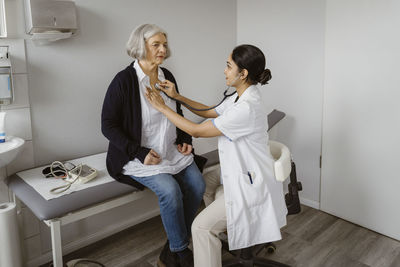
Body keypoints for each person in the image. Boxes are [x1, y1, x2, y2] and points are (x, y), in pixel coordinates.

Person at [145, 44, 288, 267]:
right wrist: (177, 96)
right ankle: (226, 231)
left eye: (228, 66)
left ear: (243, 74)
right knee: (204, 183)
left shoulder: (246, 108)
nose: (224, 70)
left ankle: (213, 233)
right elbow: (209, 111)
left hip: (251, 187)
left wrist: (163, 107)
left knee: (199, 227)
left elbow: (197, 131)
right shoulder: (240, 97)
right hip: (243, 171)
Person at [101, 24, 205, 267]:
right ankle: (180, 251)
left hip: (169, 150)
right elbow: (107, 125)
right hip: (140, 156)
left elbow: (176, 110)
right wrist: (139, 152)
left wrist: (185, 139)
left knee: (197, 184)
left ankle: (171, 249)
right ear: (140, 46)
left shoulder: (167, 76)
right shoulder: (123, 81)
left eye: (164, 44)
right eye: (156, 44)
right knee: (170, 191)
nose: (163, 49)